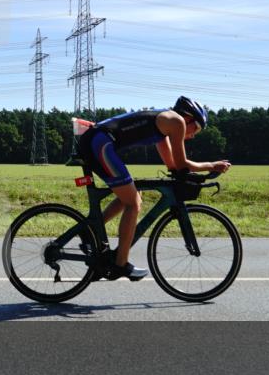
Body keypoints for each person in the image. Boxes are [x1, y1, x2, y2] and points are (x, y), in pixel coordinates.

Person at [80, 96, 231, 281]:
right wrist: (211, 165)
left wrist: (188, 173)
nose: (193, 135)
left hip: (98, 141)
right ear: (189, 119)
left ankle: (90, 230)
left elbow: (173, 165)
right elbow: (182, 163)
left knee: (135, 194)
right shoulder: (176, 122)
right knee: (133, 203)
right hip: (100, 144)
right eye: (197, 129)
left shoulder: (165, 124)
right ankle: (120, 264)